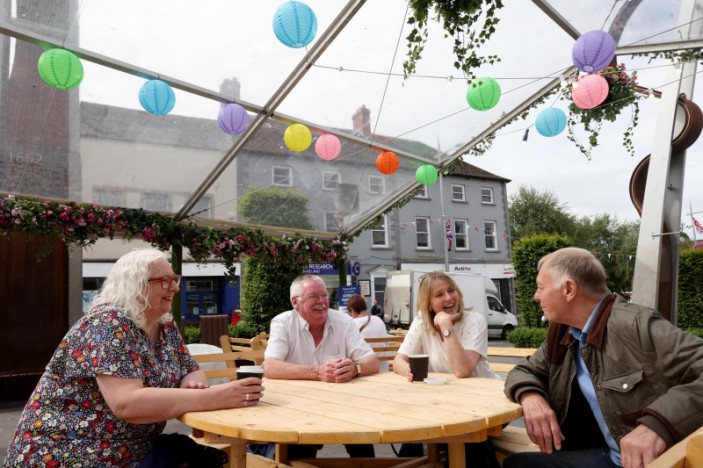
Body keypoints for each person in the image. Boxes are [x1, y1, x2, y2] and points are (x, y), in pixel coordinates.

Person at [3, 248, 264, 468]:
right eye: (164, 281)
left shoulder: (164, 324)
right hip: (72, 452)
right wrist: (217, 395)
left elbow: (191, 369)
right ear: (135, 285)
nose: (174, 287)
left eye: (175, 279)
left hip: (132, 449)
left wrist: (190, 383)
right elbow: (127, 405)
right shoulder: (107, 323)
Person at [503, 247, 703, 468]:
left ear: (569, 289)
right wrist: (531, 397)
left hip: (652, 463)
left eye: (541, 287)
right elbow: (523, 370)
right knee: (516, 465)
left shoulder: (635, 324)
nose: (536, 296)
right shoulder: (565, 333)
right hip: (609, 456)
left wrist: (657, 425)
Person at [263, 275, 380, 460]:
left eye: (324, 296)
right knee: (298, 453)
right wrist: (317, 372)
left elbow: (372, 361)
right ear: (295, 302)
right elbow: (270, 366)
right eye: (313, 297)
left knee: (362, 440)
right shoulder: (283, 323)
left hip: (343, 406)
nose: (322, 302)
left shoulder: (344, 322)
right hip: (297, 408)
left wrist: (356, 368)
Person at [393, 271, 500, 467]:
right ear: (428, 303)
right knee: (412, 433)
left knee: (467, 437)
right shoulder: (421, 322)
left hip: (489, 404)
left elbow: (461, 370)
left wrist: (446, 326)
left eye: (451, 290)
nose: (449, 298)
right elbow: (399, 360)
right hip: (449, 405)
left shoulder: (474, 321)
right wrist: (408, 371)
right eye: (439, 294)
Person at [348, 294, 390, 371]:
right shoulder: (378, 320)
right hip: (383, 370)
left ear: (352, 310)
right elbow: (387, 343)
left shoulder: (351, 324)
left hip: (364, 372)